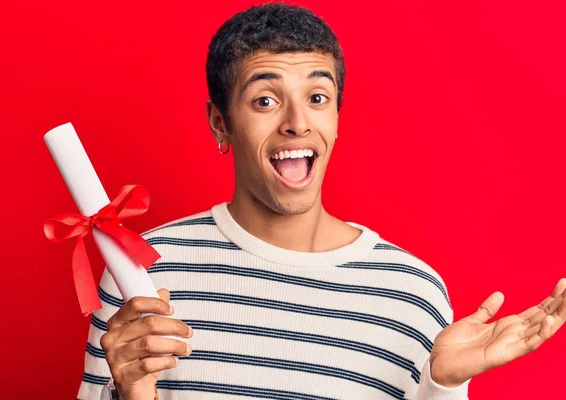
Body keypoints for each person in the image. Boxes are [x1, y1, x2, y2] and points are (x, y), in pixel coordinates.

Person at [77, 3, 565, 400]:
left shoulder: (413, 295)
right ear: (220, 122)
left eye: (317, 97)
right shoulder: (142, 271)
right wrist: (132, 392)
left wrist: (444, 388)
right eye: (265, 100)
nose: (297, 122)